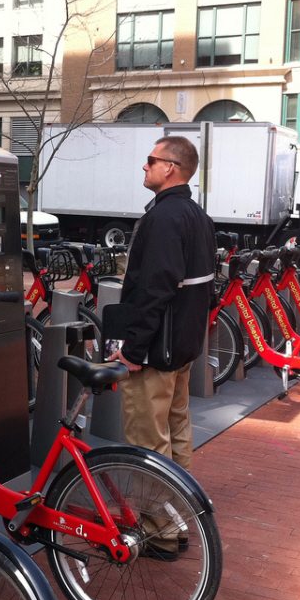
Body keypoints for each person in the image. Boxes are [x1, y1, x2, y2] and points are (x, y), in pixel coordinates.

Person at [108, 135, 216, 475]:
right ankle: (181, 509)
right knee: (178, 428)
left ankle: (160, 520)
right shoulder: (198, 216)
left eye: (151, 160)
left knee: (148, 440)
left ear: (170, 168)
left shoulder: (164, 218)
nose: (145, 165)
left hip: (155, 351)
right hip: (181, 347)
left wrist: (133, 350)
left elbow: (156, 288)